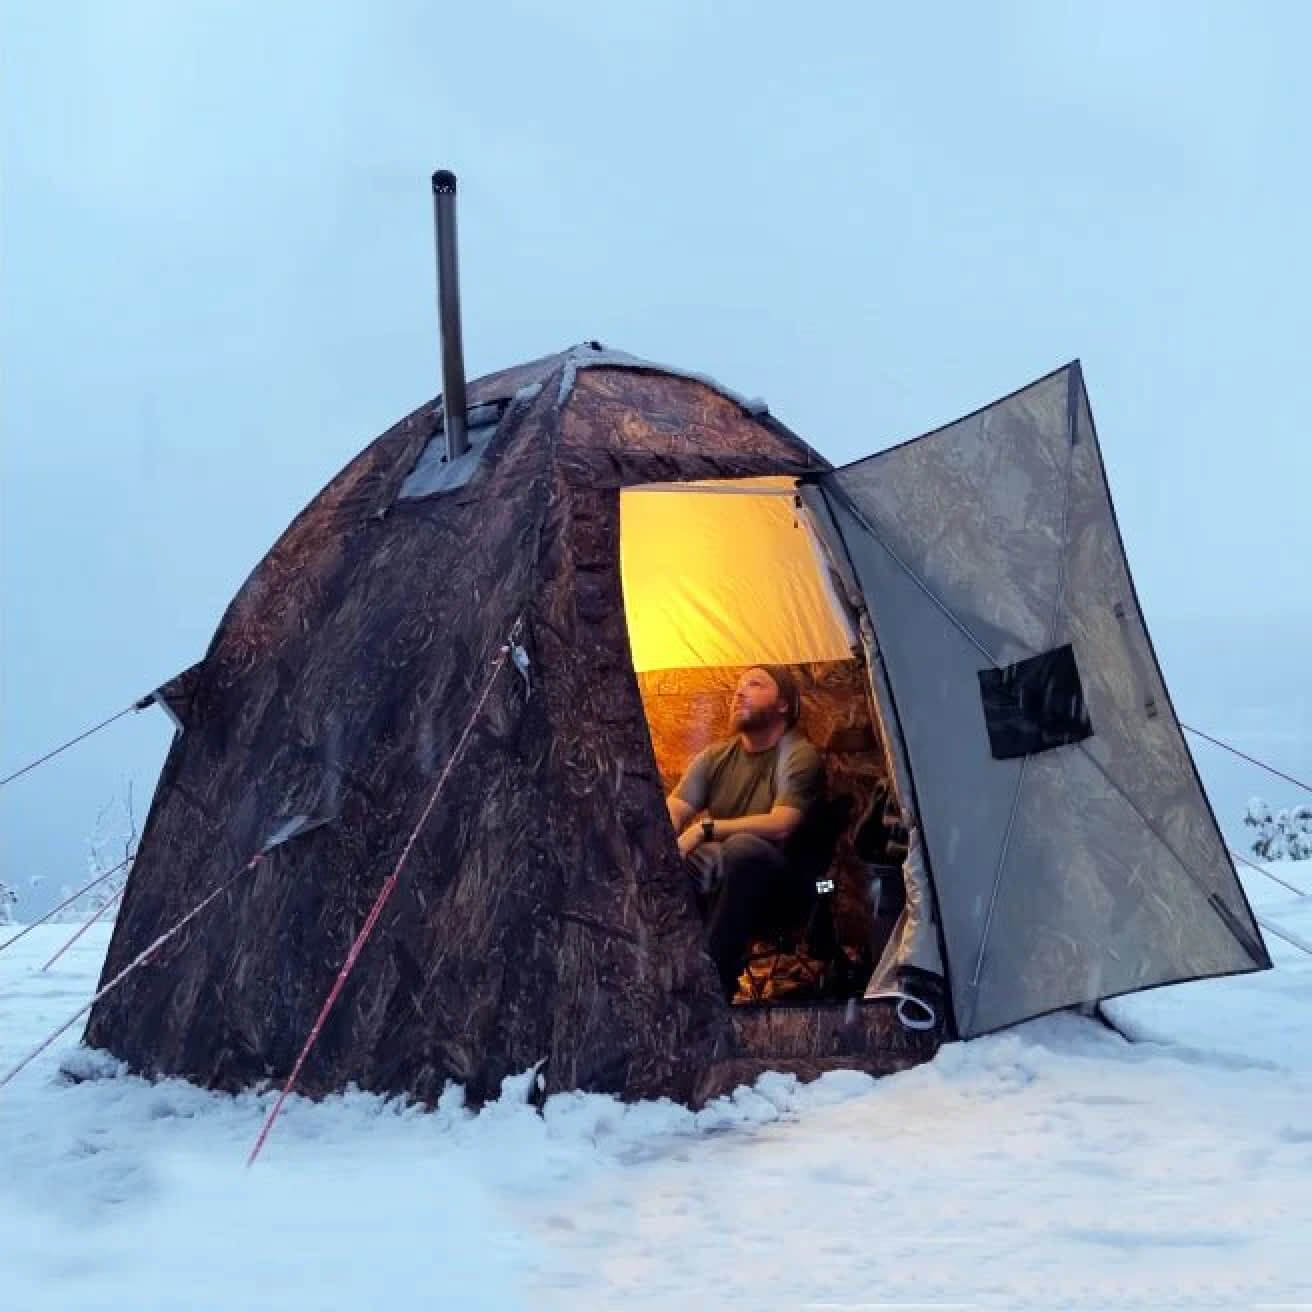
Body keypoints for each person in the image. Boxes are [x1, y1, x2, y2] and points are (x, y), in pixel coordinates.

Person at [665, 665, 824, 999]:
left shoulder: (798, 755)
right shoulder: (715, 757)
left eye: (754, 684)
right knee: (672, 859)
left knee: (742, 848)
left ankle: (712, 980)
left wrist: (705, 830)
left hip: (788, 894)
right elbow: (676, 808)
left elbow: (783, 824)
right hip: (722, 884)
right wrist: (659, 842)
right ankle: (667, 973)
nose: (739, 692)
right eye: (737, 686)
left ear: (784, 704)